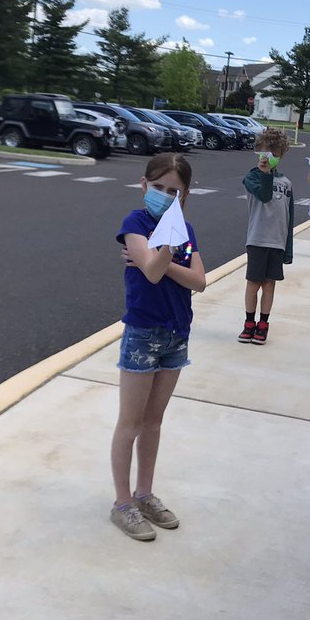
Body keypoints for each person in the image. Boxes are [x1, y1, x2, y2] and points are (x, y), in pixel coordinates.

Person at [112, 153, 207, 541]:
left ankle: (145, 493)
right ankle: (122, 503)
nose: (164, 195)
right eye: (158, 187)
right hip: (143, 333)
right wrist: (159, 254)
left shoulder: (185, 229)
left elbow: (199, 280)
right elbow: (150, 273)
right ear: (144, 184)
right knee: (130, 423)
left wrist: (159, 258)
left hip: (175, 333)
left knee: (154, 422)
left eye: (174, 190)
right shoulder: (135, 223)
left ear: (184, 194)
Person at [240, 127, 294, 345]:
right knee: (253, 282)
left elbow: (289, 218)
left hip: (277, 241)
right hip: (258, 239)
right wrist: (264, 173)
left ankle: (264, 323)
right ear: (258, 152)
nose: (269, 157)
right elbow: (263, 196)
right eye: (265, 152)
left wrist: (288, 249)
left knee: (270, 283)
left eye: (275, 154)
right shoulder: (251, 177)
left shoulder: (287, 183)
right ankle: (249, 322)